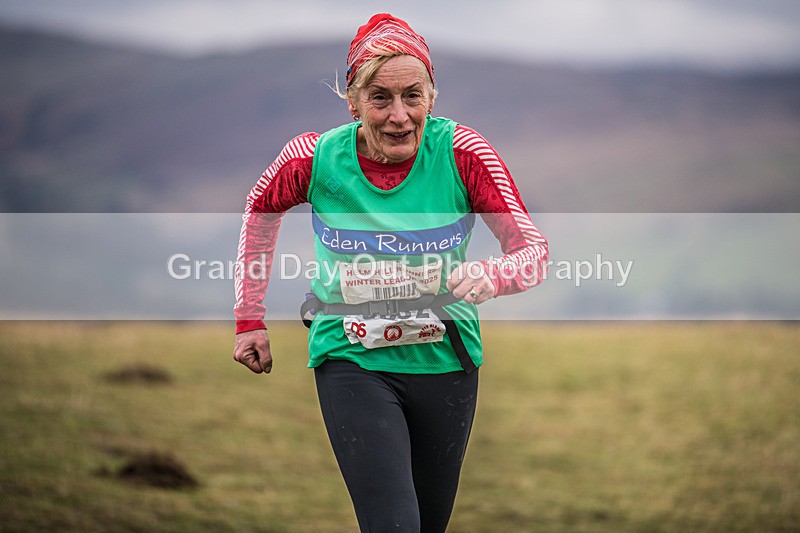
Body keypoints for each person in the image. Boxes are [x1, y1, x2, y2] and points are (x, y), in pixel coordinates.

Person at [232, 13, 549, 532]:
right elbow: (258, 208)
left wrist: (495, 275)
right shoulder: (314, 157)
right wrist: (250, 318)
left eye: (413, 96)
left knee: (427, 525)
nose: (399, 116)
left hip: (446, 358)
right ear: (352, 101)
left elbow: (532, 250)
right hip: (351, 354)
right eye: (380, 97)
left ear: (432, 96)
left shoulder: (463, 153)